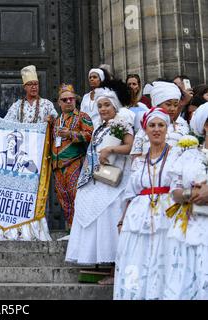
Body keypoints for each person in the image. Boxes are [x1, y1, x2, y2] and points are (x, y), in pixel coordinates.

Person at [66, 86, 134, 285]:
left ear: (115, 106)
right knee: (93, 217)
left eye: (107, 105)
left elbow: (130, 146)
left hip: (113, 180)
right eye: (100, 106)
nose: (103, 109)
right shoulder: (99, 127)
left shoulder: (122, 123)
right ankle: (100, 264)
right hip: (95, 177)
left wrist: (111, 148)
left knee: (110, 217)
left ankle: (116, 269)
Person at [114, 108, 178, 300]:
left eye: (161, 125)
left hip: (167, 214)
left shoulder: (176, 155)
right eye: (152, 125)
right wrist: (122, 220)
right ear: (146, 130)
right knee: (138, 259)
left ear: (167, 128)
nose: (156, 129)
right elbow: (129, 194)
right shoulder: (139, 162)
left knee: (164, 259)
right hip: (138, 216)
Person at [163, 102, 208, 300]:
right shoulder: (189, 155)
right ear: (205, 126)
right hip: (190, 224)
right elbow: (175, 191)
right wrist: (192, 195)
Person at [52, 84, 93, 230]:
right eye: (65, 100)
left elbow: (90, 135)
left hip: (75, 162)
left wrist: (71, 134)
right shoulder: (56, 121)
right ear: (59, 102)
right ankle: (70, 229)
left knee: (76, 196)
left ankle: (80, 231)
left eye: (71, 99)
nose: (69, 102)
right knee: (63, 199)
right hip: (57, 166)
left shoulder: (82, 117)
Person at [132, 81, 189, 156]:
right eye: (168, 104)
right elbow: (135, 158)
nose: (172, 109)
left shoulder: (182, 127)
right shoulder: (143, 131)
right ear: (157, 105)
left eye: (175, 105)